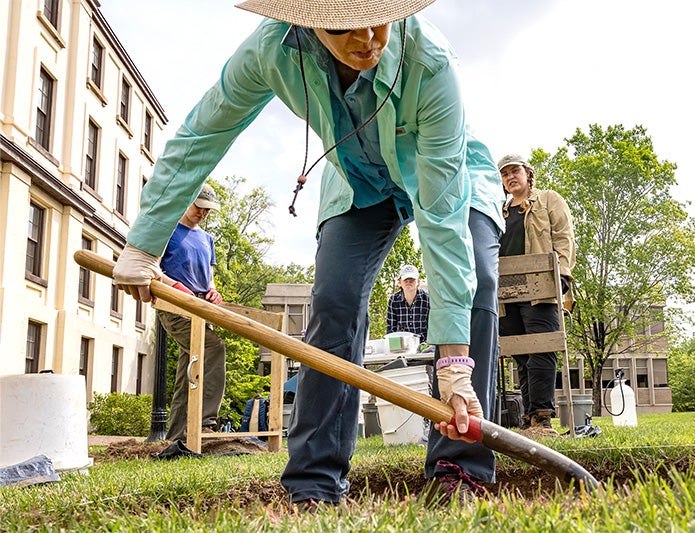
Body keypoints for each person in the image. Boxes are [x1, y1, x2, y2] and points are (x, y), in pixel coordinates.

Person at [112, 0, 504, 507]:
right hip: (357, 180)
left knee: (476, 277)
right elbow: (201, 135)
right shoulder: (270, 50)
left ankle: (459, 468)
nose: (367, 39)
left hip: (445, 169)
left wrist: (452, 357)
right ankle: (315, 481)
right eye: (344, 26)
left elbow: (443, 214)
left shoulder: (430, 63)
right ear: (308, 19)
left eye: (378, 18)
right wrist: (145, 244)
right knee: (334, 301)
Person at [496, 154, 576, 438]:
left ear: (527, 173)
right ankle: (528, 420)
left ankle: (542, 418)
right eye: (504, 174)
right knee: (520, 353)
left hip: (541, 285)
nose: (510, 177)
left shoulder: (549, 200)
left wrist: (562, 275)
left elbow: (564, 237)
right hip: (506, 291)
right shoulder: (499, 210)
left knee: (543, 347)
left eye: (514, 171)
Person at [157, 183, 226, 442]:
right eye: (200, 207)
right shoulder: (167, 231)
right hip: (174, 305)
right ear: (187, 200)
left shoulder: (207, 239)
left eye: (208, 210)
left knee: (189, 369)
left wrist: (213, 290)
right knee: (213, 349)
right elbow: (152, 268)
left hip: (200, 307)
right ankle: (206, 423)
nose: (203, 214)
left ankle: (175, 438)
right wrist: (173, 285)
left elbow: (209, 277)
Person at [386, 264, 430, 343]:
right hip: (401, 344)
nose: (408, 282)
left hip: (425, 344)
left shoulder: (427, 298)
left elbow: (433, 325)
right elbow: (391, 328)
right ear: (400, 282)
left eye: (412, 279)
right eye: (405, 279)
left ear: (418, 281)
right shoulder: (393, 300)